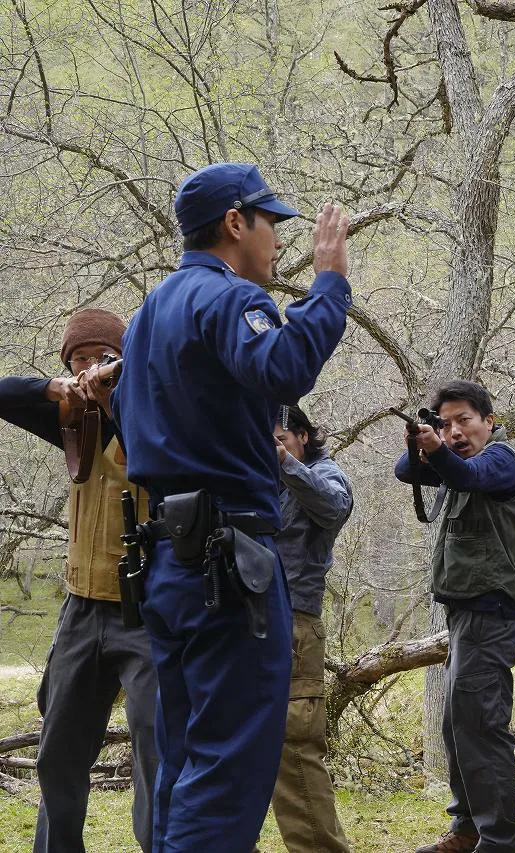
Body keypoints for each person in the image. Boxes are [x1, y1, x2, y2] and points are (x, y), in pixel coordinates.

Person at [112, 162, 351, 851]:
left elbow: (129, 430)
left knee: (184, 761)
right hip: (230, 569)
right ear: (234, 223)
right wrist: (330, 282)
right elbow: (283, 368)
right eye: (271, 221)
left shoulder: (147, 314)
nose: (279, 239)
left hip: (170, 563)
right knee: (229, 768)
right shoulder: (224, 299)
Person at [0, 309, 157, 853]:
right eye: (80, 360)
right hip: (81, 611)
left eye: (104, 358)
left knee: (155, 752)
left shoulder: (156, 418)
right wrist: (52, 388)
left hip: (147, 610)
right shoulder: (72, 420)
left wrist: (118, 394)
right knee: (59, 750)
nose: (92, 368)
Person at [394, 380, 515, 853]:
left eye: (464, 421)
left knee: (482, 725)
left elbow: (470, 478)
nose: (454, 431)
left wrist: (439, 451)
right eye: (445, 423)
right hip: (463, 615)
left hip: (490, 612)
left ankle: (498, 839)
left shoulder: (501, 460)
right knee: (458, 724)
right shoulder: (454, 463)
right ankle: (467, 829)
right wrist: (419, 445)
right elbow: (402, 471)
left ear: (489, 421)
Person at [269, 405, 355, 852]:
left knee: (295, 749)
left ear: (302, 436)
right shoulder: (246, 475)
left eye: (281, 438)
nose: (273, 446)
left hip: (295, 626)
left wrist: (284, 463)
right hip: (238, 625)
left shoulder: (327, 473)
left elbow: (334, 507)